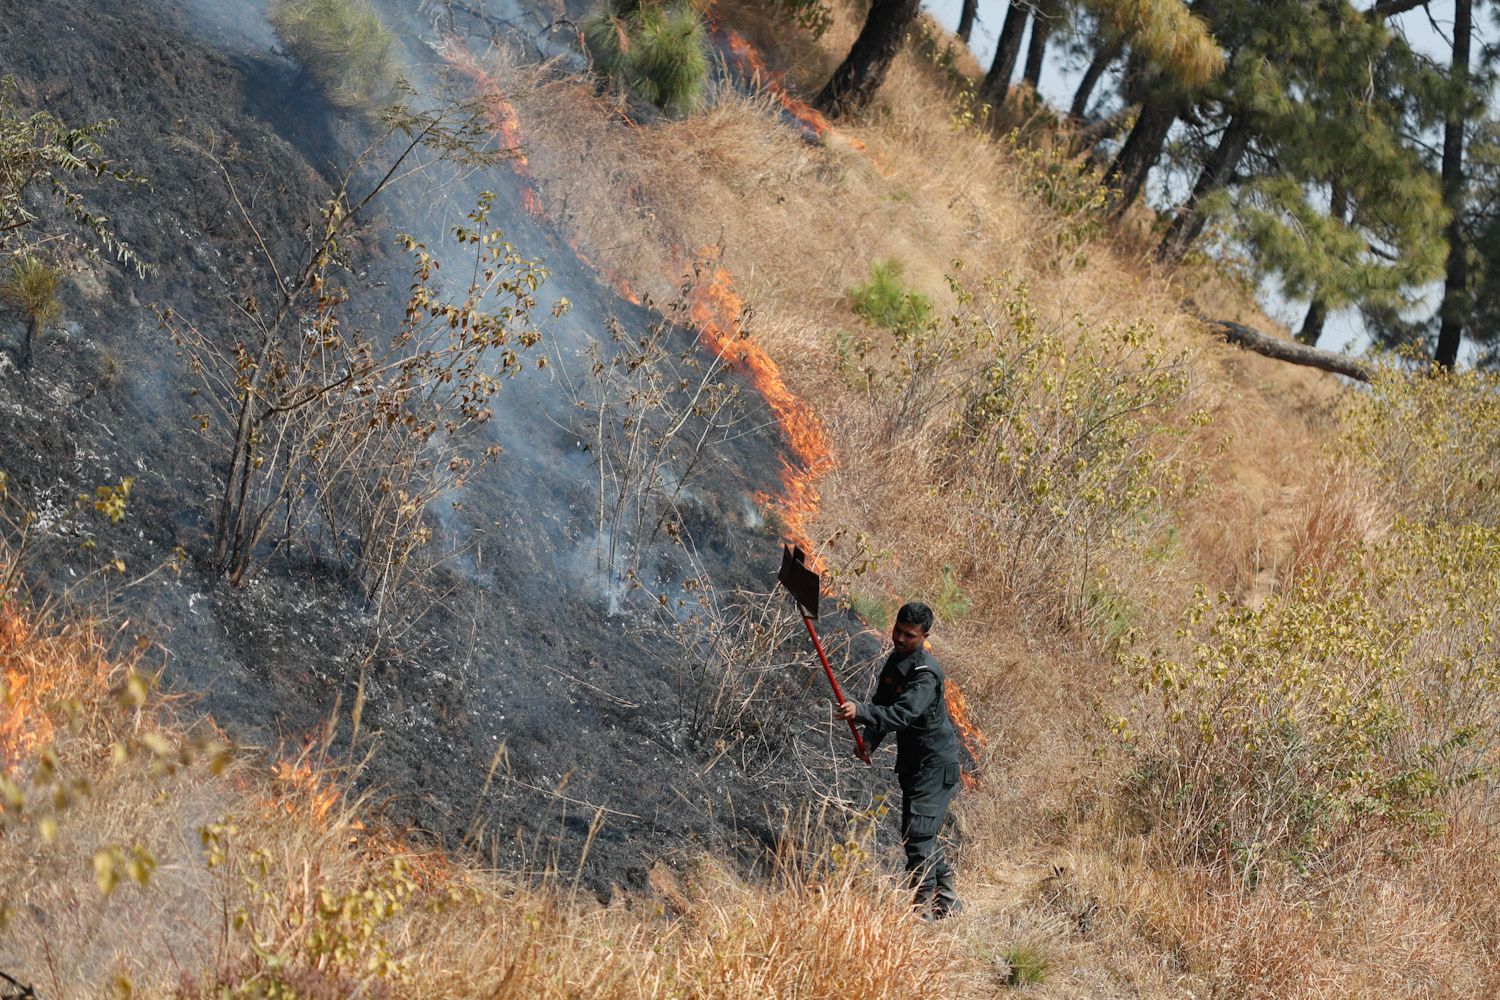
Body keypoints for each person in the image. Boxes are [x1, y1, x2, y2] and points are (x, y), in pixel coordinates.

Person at [836, 601, 962, 919]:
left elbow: (902, 714)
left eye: (910, 635)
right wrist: (869, 743)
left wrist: (859, 711)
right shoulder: (895, 662)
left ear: (924, 637)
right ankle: (948, 902)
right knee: (919, 837)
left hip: (935, 765)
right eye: (898, 631)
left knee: (918, 841)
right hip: (914, 765)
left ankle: (924, 914)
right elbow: (883, 705)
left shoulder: (925, 673)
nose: (901, 639)